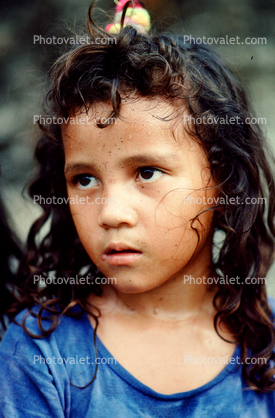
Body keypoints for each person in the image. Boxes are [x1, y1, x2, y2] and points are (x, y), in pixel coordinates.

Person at [1, 0, 275, 416]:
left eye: (147, 172)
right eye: (84, 179)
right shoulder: (40, 352)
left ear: (221, 180)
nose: (111, 213)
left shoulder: (265, 341)